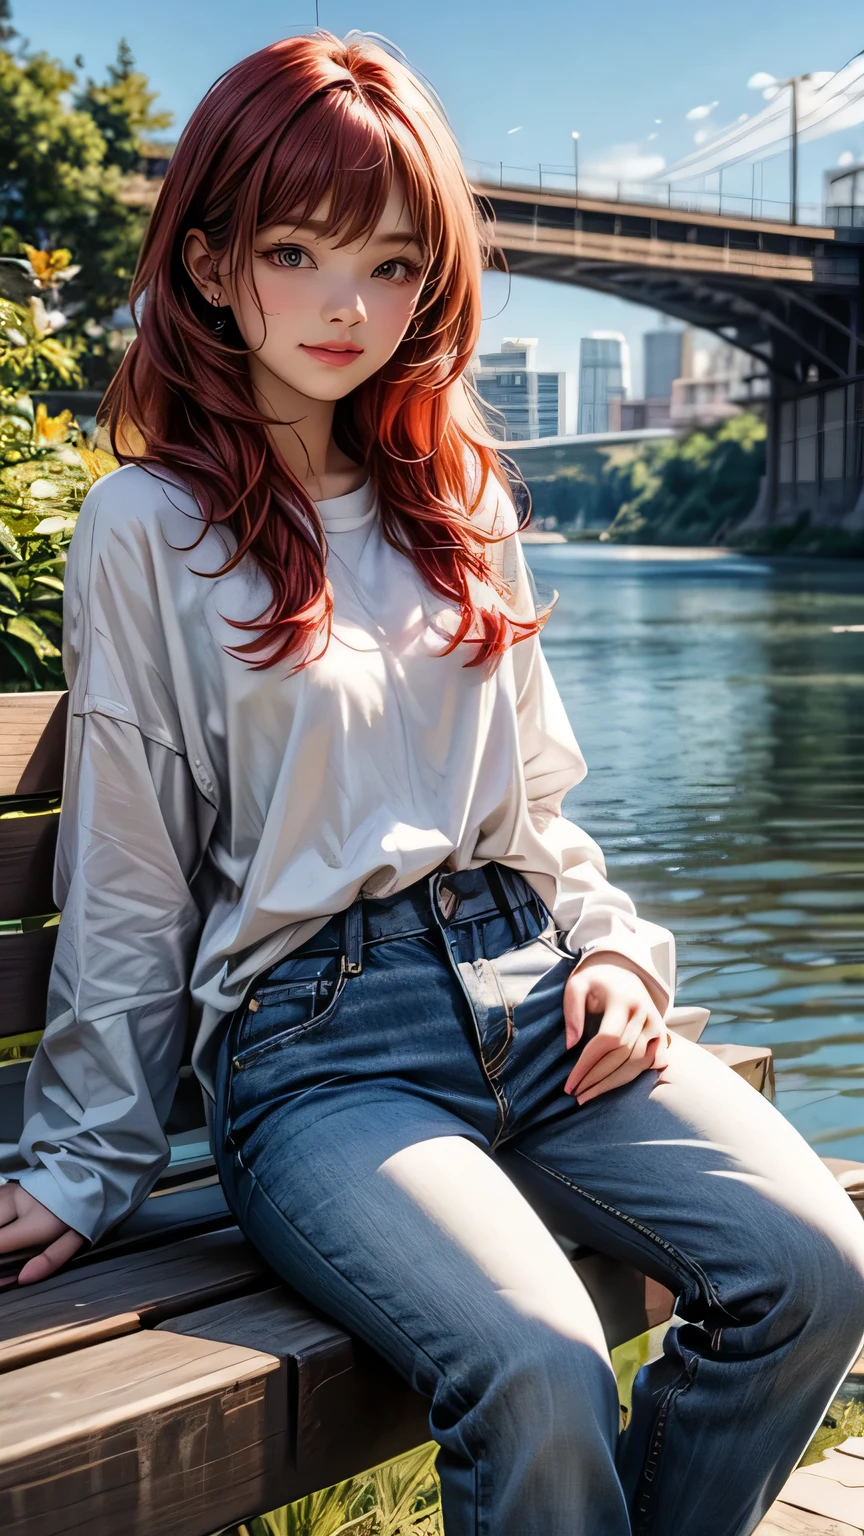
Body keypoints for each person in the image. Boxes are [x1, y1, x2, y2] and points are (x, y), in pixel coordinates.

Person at [1, 32, 863, 1536]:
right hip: (317, 1053)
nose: (350, 306)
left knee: (812, 1269)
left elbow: (534, 803)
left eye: (394, 265)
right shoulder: (148, 525)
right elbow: (132, 871)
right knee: (538, 1365)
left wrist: (610, 954)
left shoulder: (458, 495)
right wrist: (84, 1163)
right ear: (209, 266)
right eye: (296, 249)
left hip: (537, 992)